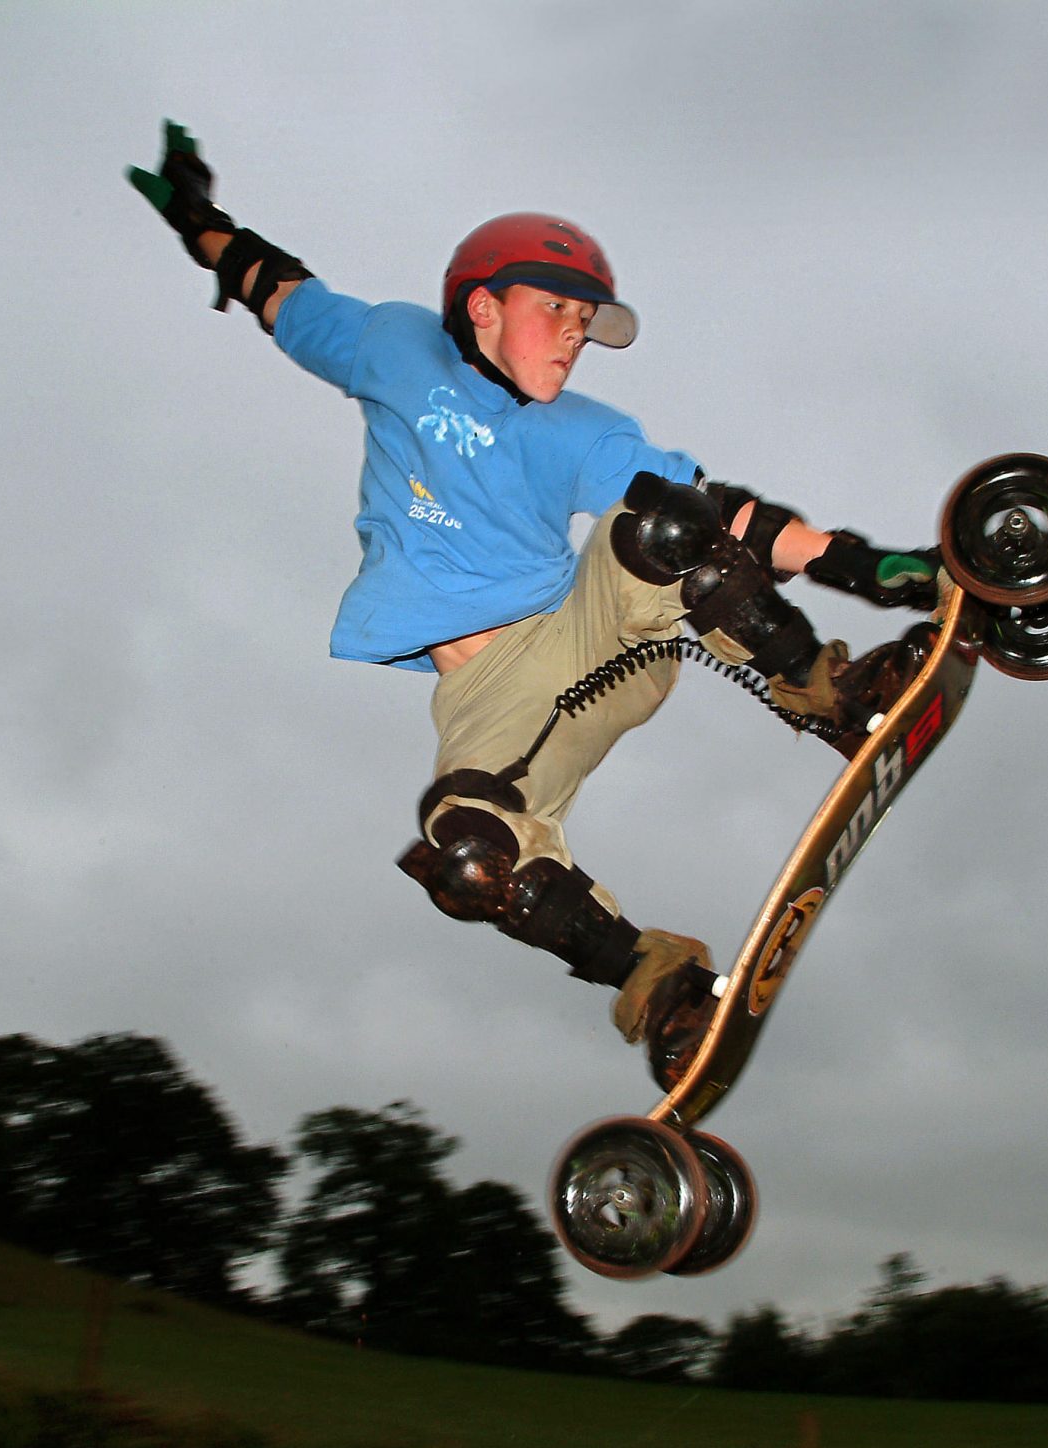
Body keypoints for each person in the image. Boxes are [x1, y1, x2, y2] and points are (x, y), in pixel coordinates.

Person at [128, 121, 946, 1084]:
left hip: (585, 638)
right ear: (481, 306)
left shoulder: (583, 431)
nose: (574, 338)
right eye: (556, 309)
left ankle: (832, 693)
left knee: (662, 519)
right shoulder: (390, 345)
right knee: (465, 854)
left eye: (587, 324)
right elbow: (278, 291)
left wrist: (878, 567)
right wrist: (197, 215)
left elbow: (728, 514)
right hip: (491, 708)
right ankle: (653, 977)